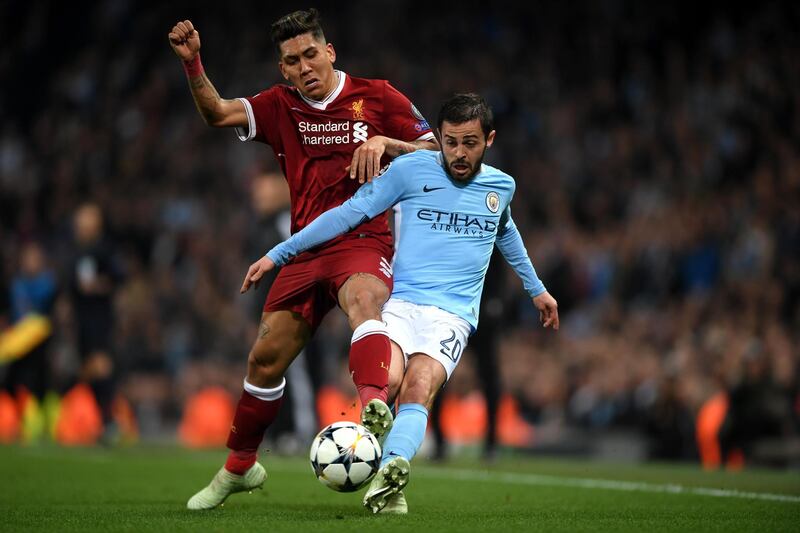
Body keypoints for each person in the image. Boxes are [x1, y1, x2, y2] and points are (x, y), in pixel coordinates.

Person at [168, 8, 439, 510]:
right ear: (283, 69)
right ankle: (239, 467)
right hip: (305, 247)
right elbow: (217, 113)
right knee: (264, 360)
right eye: (292, 61)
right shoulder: (279, 105)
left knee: (364, 301)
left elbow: (435, 154)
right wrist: (193, 64)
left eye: (311, 54)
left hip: (364, 239)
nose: (304, 67)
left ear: (330, 52)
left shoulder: (378, 96)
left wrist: (387, 142)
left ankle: (374, 413)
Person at [244, 93, 559, 514]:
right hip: (402, 301)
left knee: (418, 386)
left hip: (452, 316)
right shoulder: (411, 170)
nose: (459, 154)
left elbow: (505, 230)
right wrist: (278, 253)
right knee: (386, 383)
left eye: (470, 143)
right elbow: (345, 214)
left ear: (490, 140)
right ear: (439, 139)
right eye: (450, 142)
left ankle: (391, 472)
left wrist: (535, 288)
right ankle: (380, 443)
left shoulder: (501, 187)